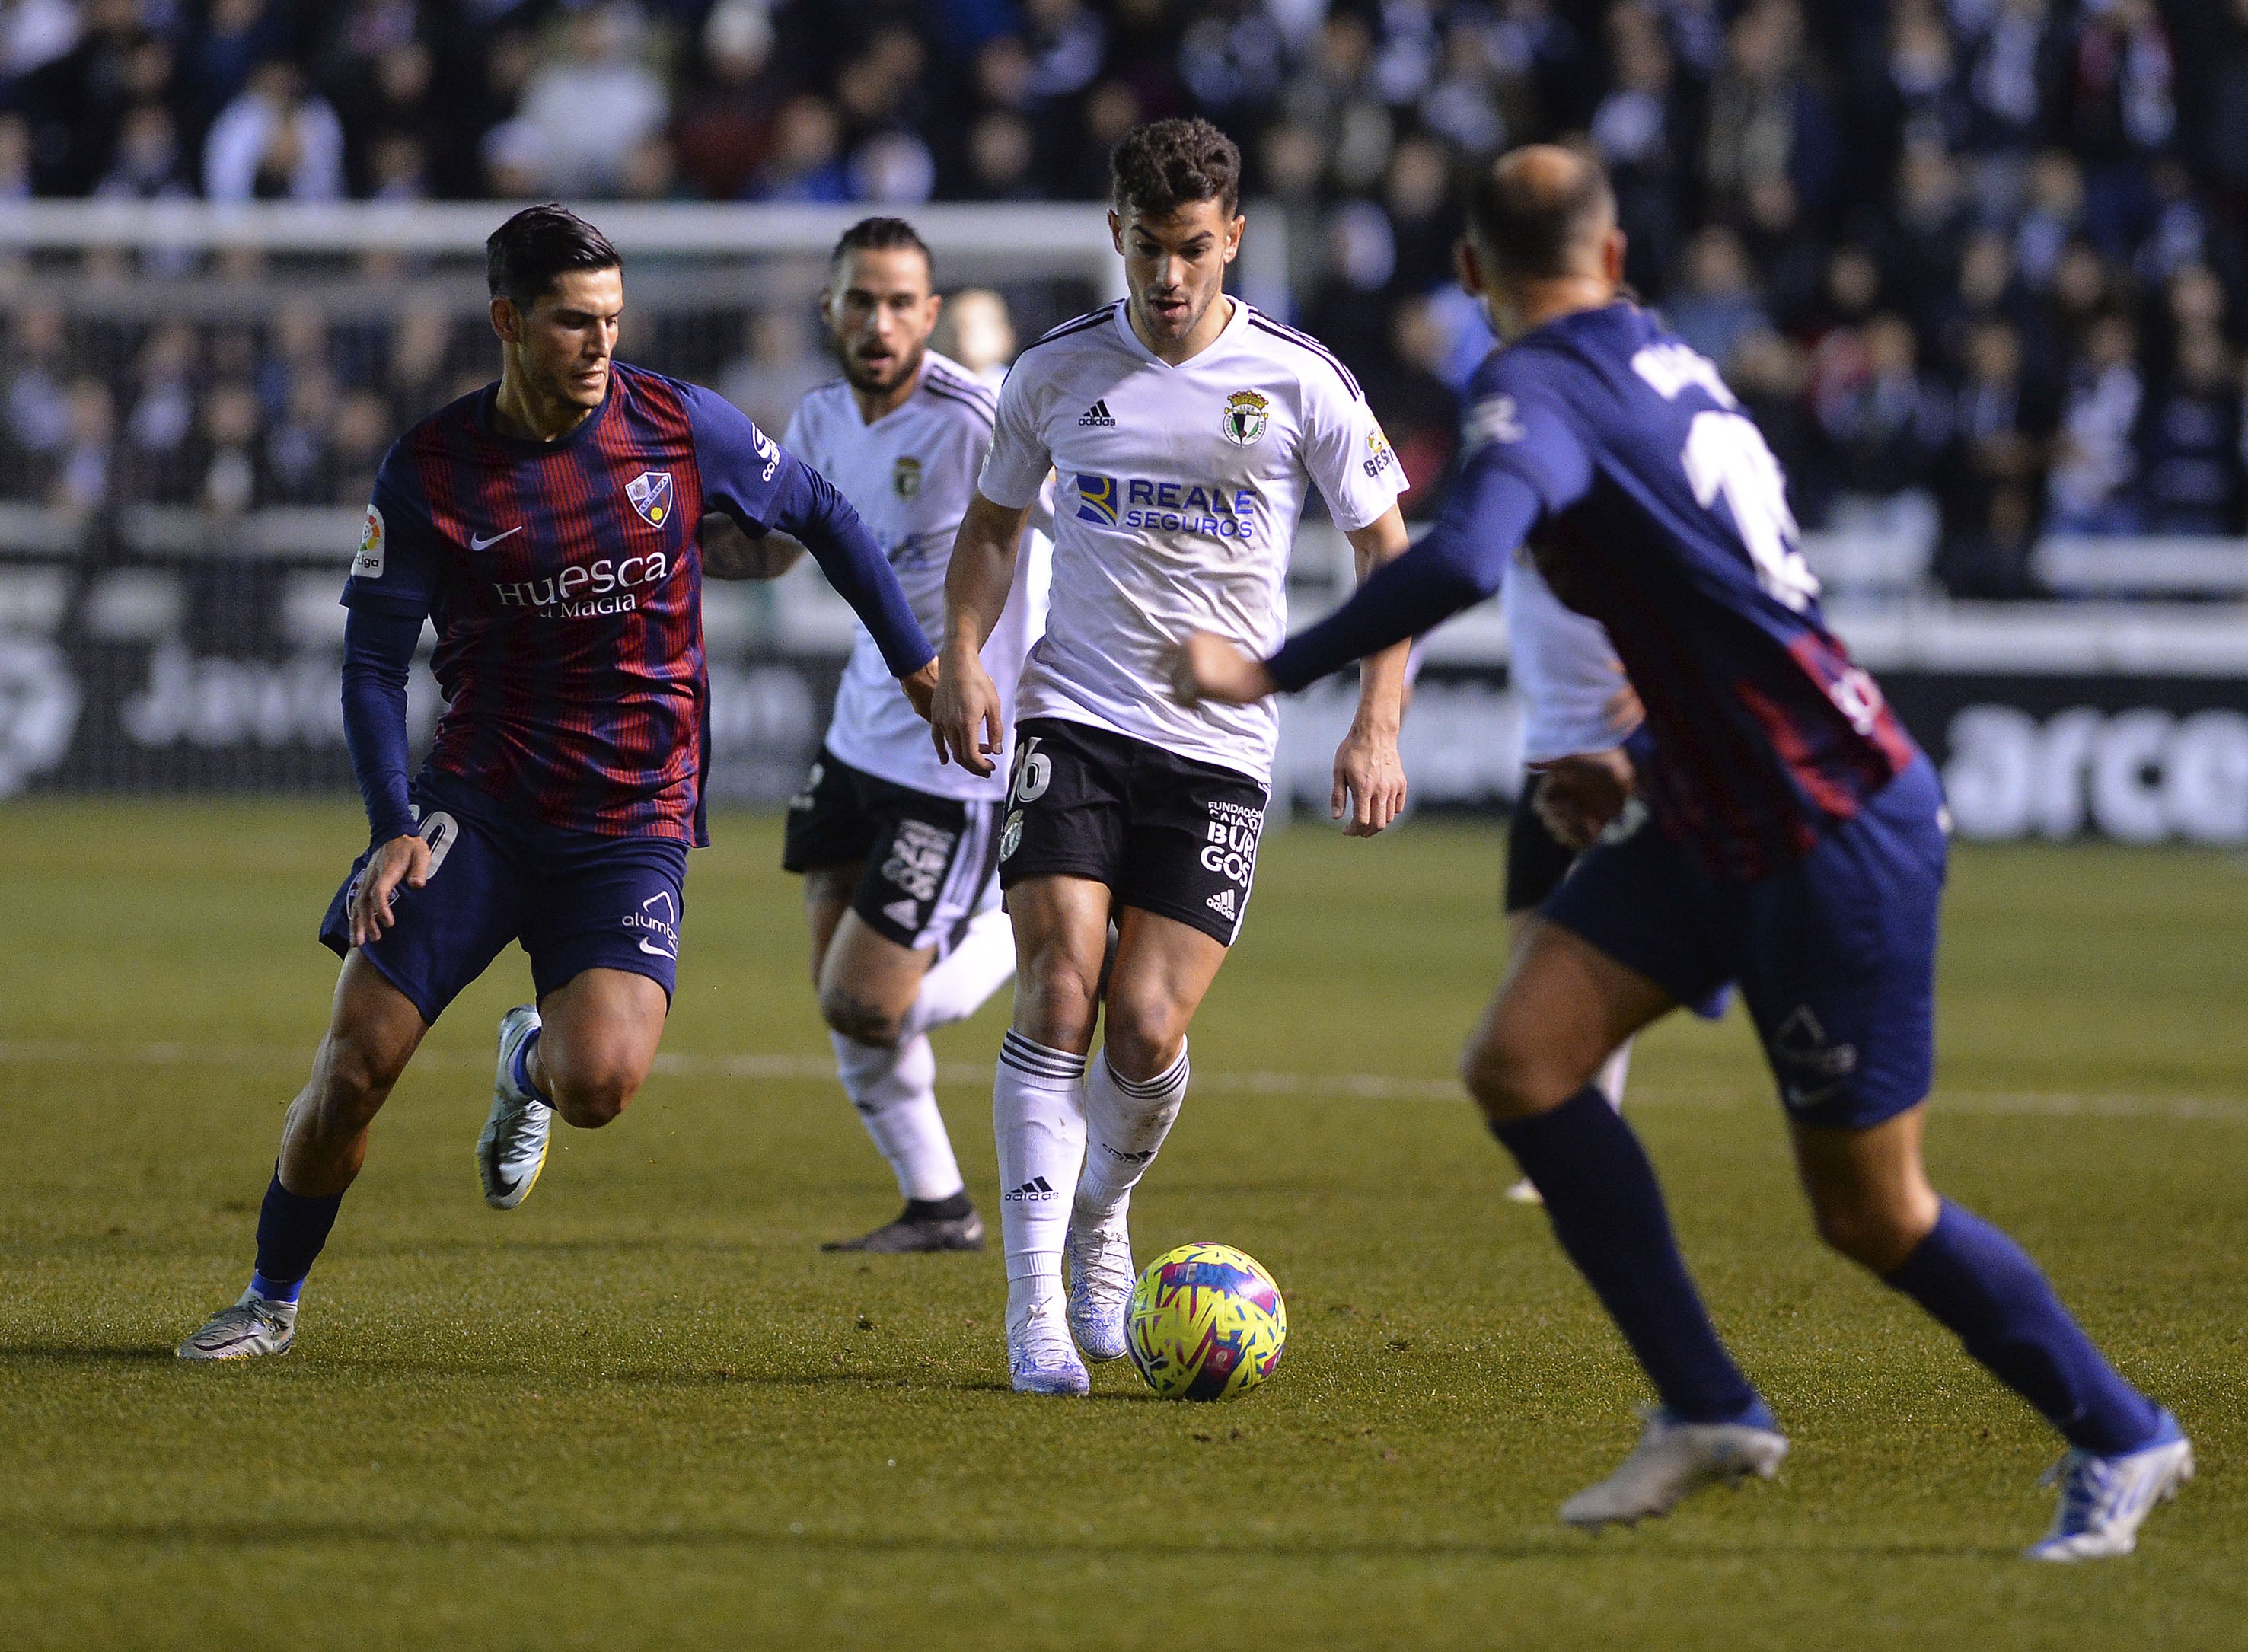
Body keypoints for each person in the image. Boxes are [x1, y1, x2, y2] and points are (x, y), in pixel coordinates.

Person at [1169, 146, 2192, 1561]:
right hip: (1713, 803)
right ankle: (1705, 1403)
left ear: (1470, 273)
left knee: (1871, 1211)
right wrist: (1641, 762)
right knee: (1520, 1062)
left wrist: (1270, 670)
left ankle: (2123, 1431)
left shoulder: (1533, 386)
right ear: (1614, 250)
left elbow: (1465, 558)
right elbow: (1741, 611)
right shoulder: (1666, 361)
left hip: (1827, 829)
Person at [177, 204, 938, 1360]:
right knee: (356, 1065)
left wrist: (919, 662)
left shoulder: (678, 426)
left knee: (598, 1084)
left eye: (613, 321)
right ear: (507, 322)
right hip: (476, 806)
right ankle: (270, 1298)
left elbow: (823, 515)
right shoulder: (432, 467)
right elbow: (373, 663)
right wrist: (391, 826)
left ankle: (524, 1061)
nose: (600, 346)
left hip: (631, 814)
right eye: (575, 323)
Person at [928, 116, 1413, 1395]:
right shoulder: (1051, 373)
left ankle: (1098, 1219)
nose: (1168, 276)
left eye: (1193, 248)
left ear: (1232, 238)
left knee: (1144, 1027)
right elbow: (989, 530)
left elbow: (1389, 555)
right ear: (1116, 236)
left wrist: (1374, 722)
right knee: (1059, 983)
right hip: (1074, 715)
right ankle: (1036, 1304)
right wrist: (967, 651)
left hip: (1217, 752)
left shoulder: (1300, 380)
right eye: (1147, 247)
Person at [764, 218, 1044, 1252]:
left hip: (952, 760)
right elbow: (770, 554)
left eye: (898, 303)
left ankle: (1025, 932)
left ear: (928, 314)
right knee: (838, 993)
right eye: (859, 301)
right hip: (855, 741)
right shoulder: (819, 419)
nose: (878, 322)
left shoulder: (978, 420)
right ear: (829, 309)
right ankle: (937, 1203)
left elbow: (1071, 532)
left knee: (867, 1000)